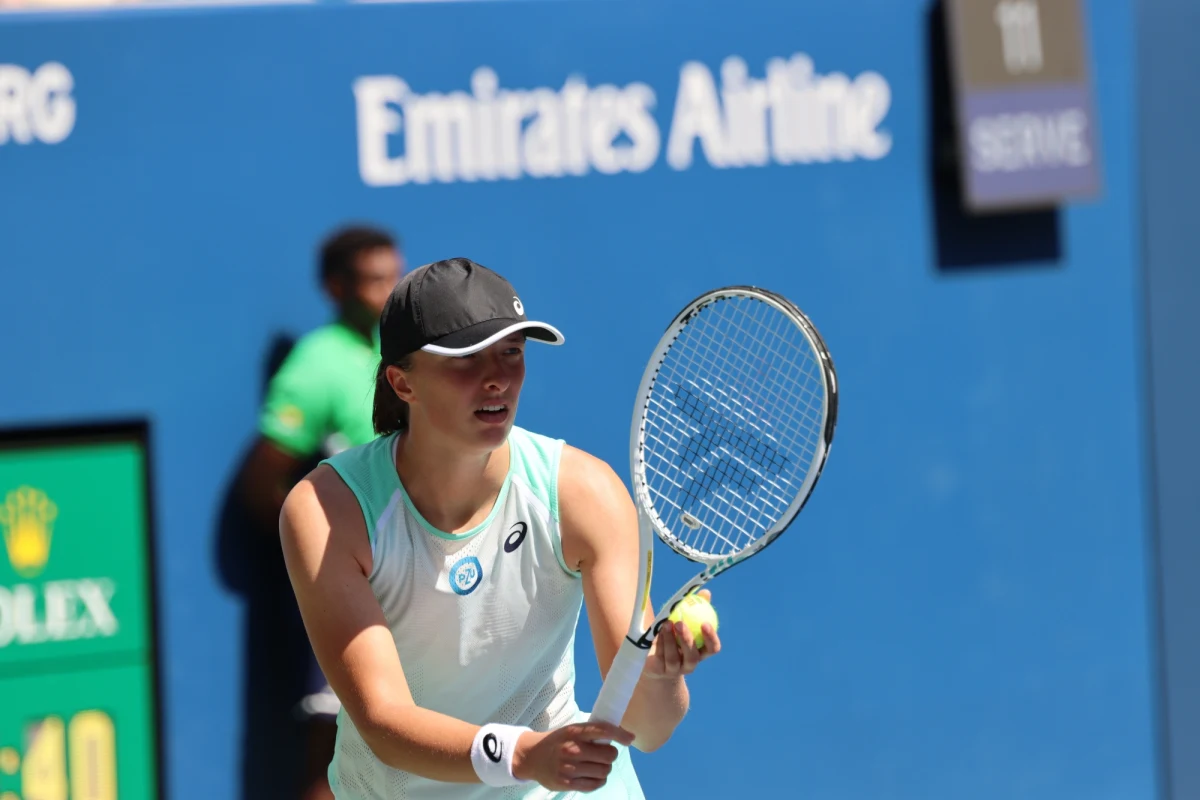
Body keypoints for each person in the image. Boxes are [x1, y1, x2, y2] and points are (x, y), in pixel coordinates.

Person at [278, 257, 722, 798]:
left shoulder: (583, 494)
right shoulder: (328, 511)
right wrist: (523, 754)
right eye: (465, 358)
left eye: (511, 352)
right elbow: (384, 720)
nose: (498, 378)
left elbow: (647, 730)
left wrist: (660, 673)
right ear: (402, 382)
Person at [238, 224, 404, 800]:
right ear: (336, 287)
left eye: (394, 275)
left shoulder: (409, 352)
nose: (389, 291)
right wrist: (328, 565)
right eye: (373, 280)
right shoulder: (315, 365)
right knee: (336, 763)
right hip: (352, 589)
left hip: (416, 579)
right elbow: (262, 482)